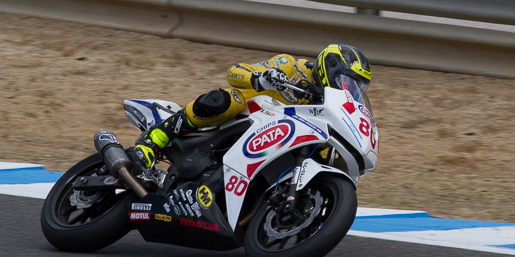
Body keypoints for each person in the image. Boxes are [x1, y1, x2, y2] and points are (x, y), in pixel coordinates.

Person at [129, 43, 372, 169]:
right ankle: (156, 137)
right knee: (228, 100)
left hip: (272, 141)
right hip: (245, 118)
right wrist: (261, 78)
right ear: (329, 68)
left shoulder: (325, 105)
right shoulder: (291, 65)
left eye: (356, 88)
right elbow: (234, 71)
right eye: (347, 82)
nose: (349, 90)